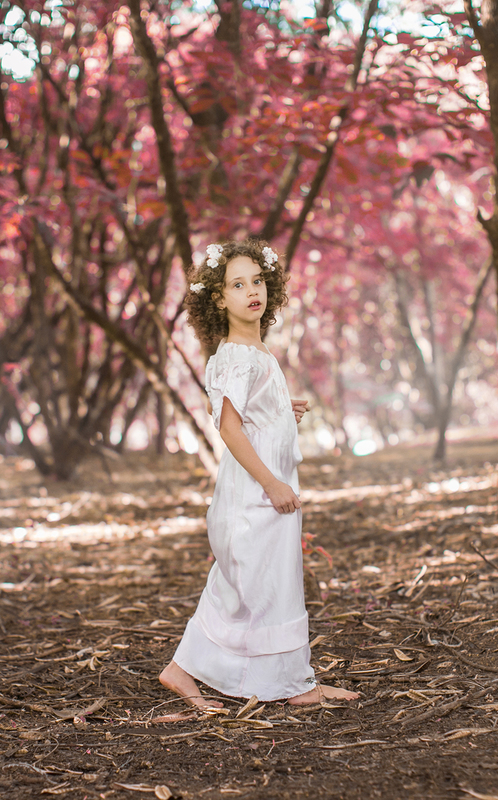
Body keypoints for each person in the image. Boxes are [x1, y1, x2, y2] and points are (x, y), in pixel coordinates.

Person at [158, 239, 359, 714]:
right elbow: (228, 426)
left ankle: (285, 678)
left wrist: (280, 411)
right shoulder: (236, 354)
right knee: (267, 586)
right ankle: (291, 684)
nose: (252, 291)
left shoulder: (253, 350)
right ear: (218, 299)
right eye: (237, 284)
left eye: (257, 280)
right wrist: (272, 483)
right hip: (255, 493)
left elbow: (247, 412)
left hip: (260, 490)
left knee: (260, 583)